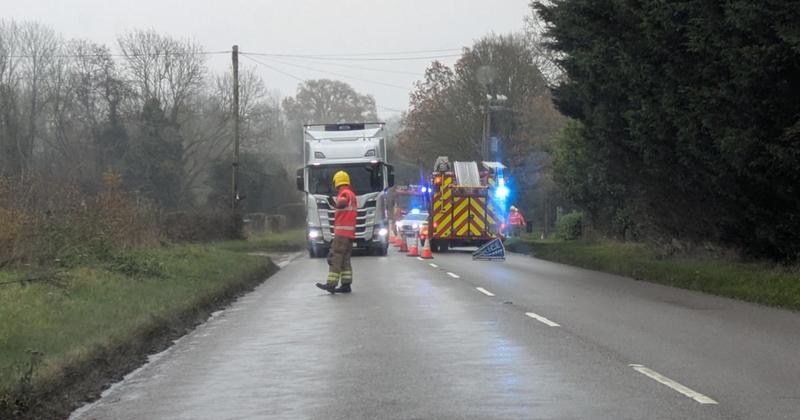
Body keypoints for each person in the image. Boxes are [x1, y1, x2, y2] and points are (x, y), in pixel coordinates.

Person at [316, 171, 357, 294]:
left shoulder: (344, 193)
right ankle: (346, 285)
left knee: (336, 257)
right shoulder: (352, 194)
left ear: (336, 182)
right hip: (350, 234)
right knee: (345, 259)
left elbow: (342, 202)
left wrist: (333, 203)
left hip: (342, 234)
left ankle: (331, 284)